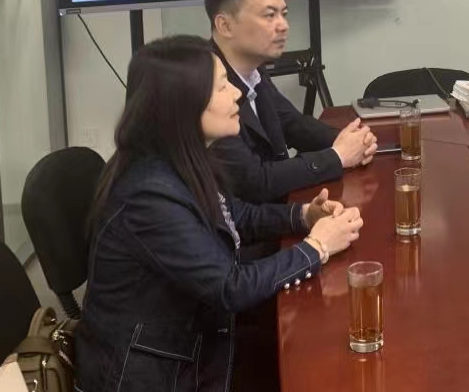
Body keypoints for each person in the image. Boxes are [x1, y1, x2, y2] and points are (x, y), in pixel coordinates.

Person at [77, 35, 364, 392]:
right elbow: (230, 287)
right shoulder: (148, 194)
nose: (238, 94)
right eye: (222, 86)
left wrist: (303, 217)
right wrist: (316, 248)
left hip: (194, 340)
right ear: (184, 105)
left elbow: (233, 215)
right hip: (159, 374)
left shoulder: (182, 156)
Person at [206, 0, 377, 203]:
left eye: (283, 14)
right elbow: (253, 181)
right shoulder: (203, 84)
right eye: (269, 15)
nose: (283, 25)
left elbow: (292, 123)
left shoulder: (253, 68)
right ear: (225, 25)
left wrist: (352, 141)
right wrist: (337, 156)